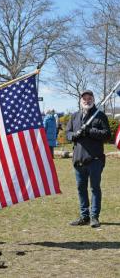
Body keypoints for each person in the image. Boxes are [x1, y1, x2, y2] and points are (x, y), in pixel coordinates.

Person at [66, 90, 111, 228]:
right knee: (81, 189)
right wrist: (74, 135)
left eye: (89, 98)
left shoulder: (100, 116)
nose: (87, 100)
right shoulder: (74, 116)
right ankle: (84, 216)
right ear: (81, 100)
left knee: (95, 188)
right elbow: (67, 133)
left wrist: (89, 131)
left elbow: (107, 135)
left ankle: (94, 217)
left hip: (95, 160)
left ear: (93, 99)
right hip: (78, 159)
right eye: (84, 98)